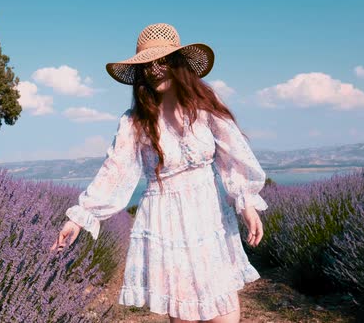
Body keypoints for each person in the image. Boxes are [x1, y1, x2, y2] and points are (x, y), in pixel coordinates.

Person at [49, 23, 268, 323]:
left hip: (209, 216)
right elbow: (115, 171)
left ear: (178, 64)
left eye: (162, 60)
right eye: (146, 65)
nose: (154, 69)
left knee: (223, 303)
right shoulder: (134, 122)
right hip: (166, 220)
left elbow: (234, 154)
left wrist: (247, 203)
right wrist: (80, 217)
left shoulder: (203, 109)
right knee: (183, 311)